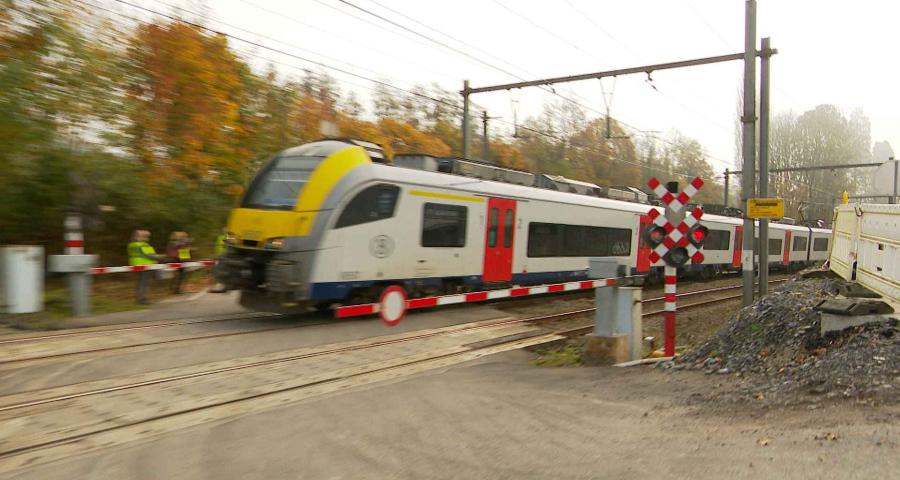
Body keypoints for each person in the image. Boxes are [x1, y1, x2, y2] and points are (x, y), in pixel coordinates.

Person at [128, 230, 161, 304]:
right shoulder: (142, 245)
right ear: (142, 237)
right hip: (145, 265)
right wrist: (160, 257)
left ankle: (139, 298)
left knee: (140, 282)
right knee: (144, 283)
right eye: (146, 237)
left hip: (137, 264)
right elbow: (150, 255)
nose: (148, 238)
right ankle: (143, 299)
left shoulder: (132, 244)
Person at [211, 228, 228, 293]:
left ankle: (224, 284)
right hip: (220, 256)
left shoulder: (229, 237)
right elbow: (218, 246)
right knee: (219, 270)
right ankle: (220, 283)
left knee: (224, 270)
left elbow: (226, 245)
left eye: (226, 230)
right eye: (224, 230)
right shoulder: (220, 237)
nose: (224, 231)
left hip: (226, 256)